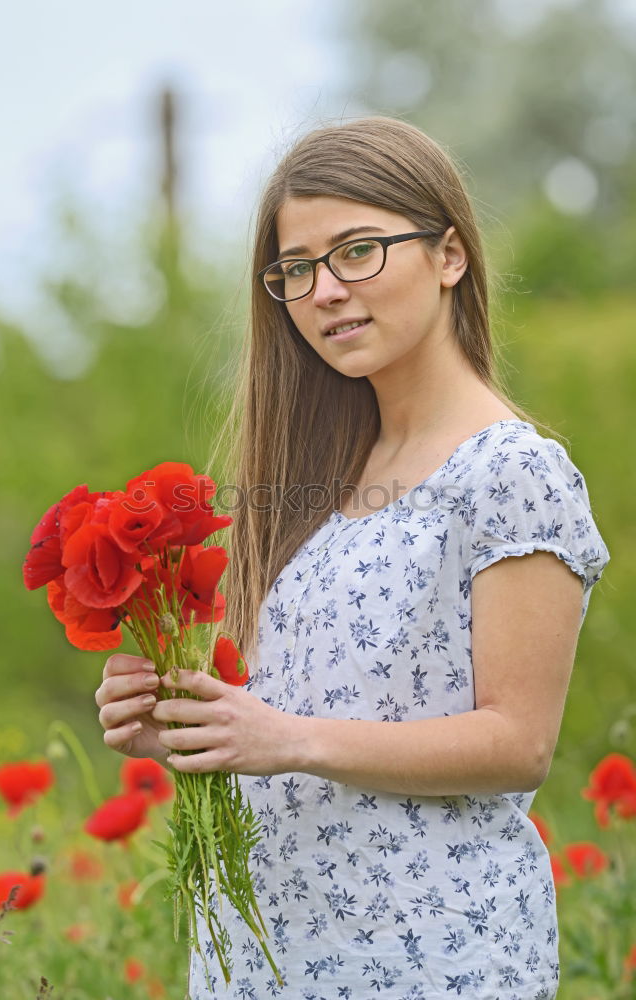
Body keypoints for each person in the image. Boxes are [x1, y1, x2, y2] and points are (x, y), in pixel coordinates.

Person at [94, 117, 611, 998]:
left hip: (425, 953)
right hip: (266, 951)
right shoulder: (314, 477)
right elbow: (304, 715)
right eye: (296, 269)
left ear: (449, 255)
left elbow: (518, 741)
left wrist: (287, 739)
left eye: (358, 251)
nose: (324, 290)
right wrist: (189, 730)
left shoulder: (511, 470)